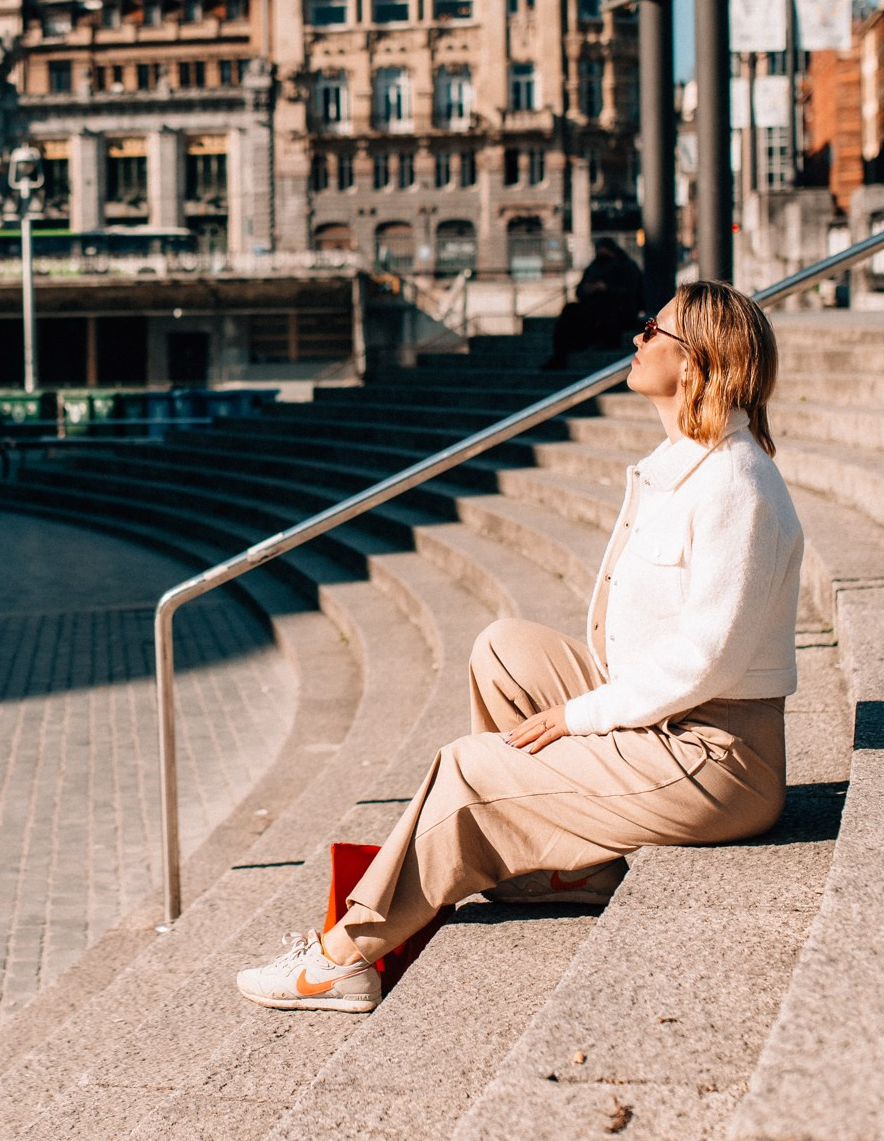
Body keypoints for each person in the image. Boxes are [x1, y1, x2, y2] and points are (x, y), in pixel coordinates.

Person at [237, 281, 802, 1012]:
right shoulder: (684, 461)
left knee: (469, 768)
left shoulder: (737, 483)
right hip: (674, 719)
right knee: (504, 649)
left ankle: (345, 956)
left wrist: (579, 718)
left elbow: (710, 658)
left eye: (650, 330)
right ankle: (562, 868)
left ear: (694, 360)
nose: (635, 341)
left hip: (715, 761)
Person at [544, 237, 645, 368]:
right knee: (570, 311)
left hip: (618, 308)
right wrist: (588, 289)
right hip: (591, 307)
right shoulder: (594, 266)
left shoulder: (626, 265)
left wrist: (606, 288)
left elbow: (631, 291)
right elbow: (579, 291)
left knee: (605, 312)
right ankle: (560, 354)